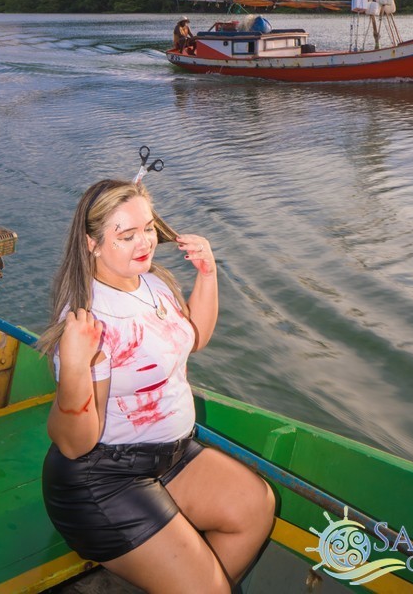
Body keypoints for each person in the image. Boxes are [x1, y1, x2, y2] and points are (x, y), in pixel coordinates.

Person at [38, 179, 274, 594]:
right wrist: (74, 367)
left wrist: (208, 274)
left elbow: (194, 337)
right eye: (126, 236)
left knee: (255, 507)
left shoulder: (153, 282)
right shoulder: (90, 319)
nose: (144, 242)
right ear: (91, 243)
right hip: (103, 480)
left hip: (171, 457)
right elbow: (74, 443)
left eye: (148, 228)